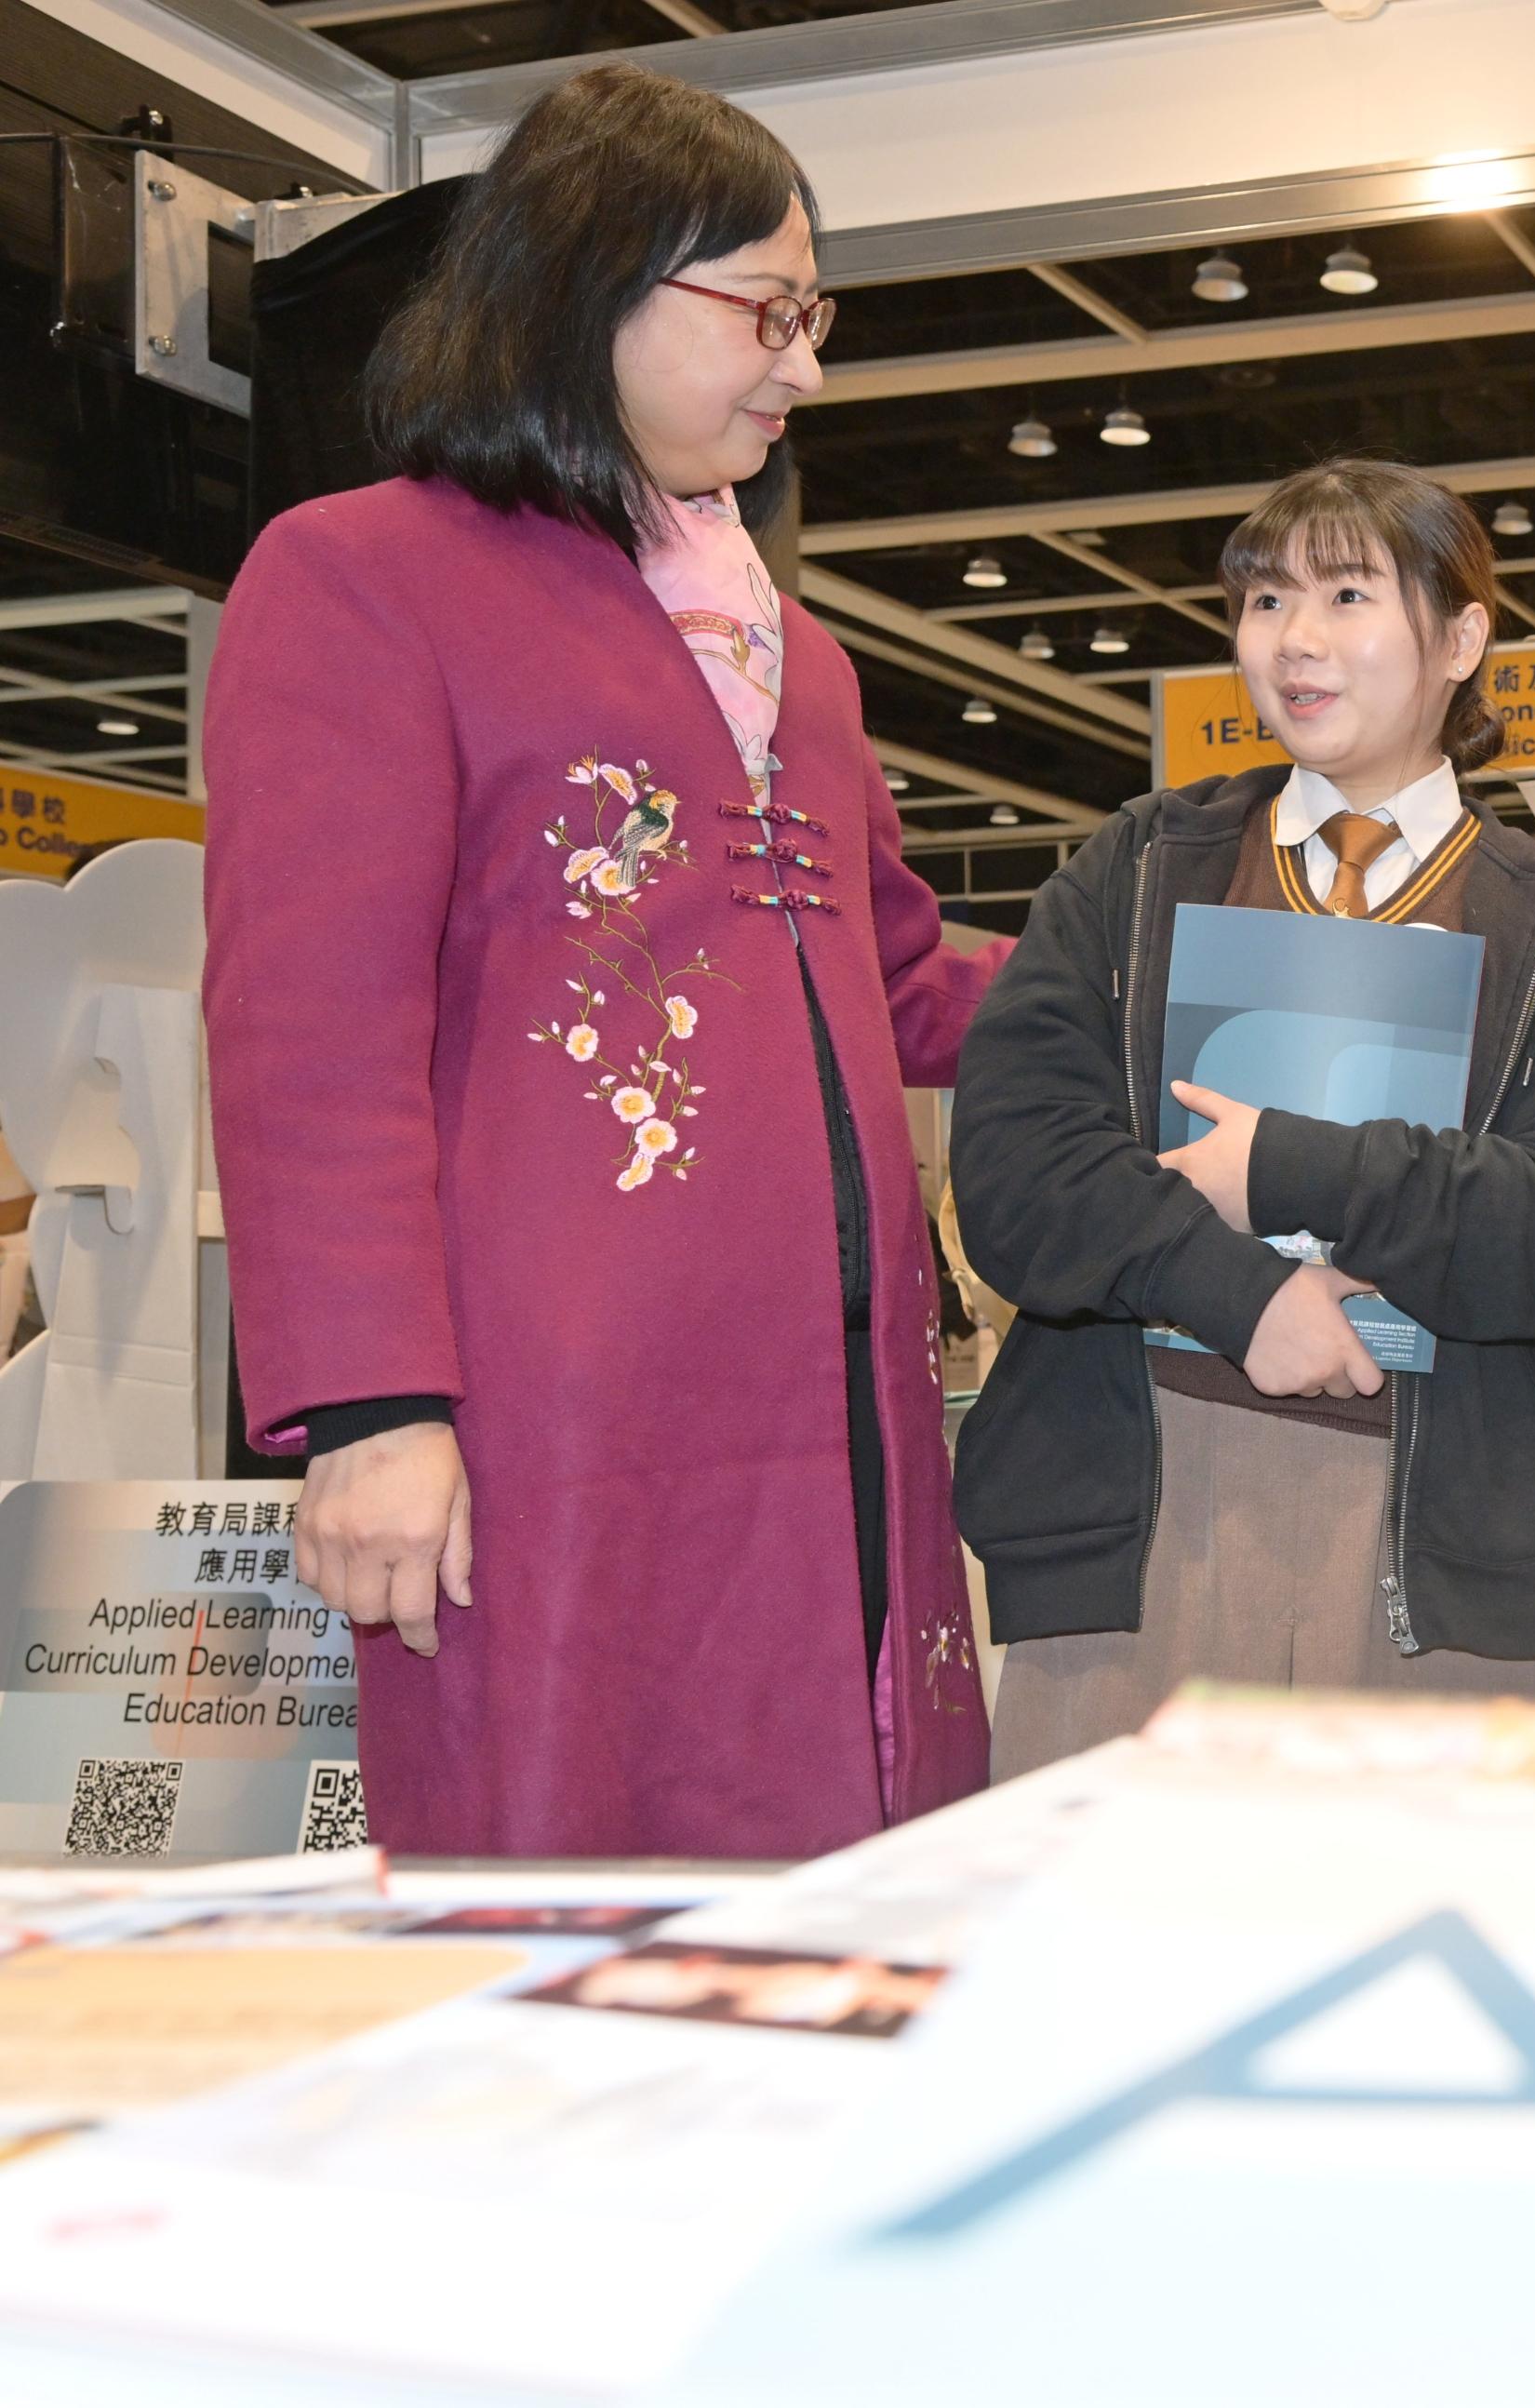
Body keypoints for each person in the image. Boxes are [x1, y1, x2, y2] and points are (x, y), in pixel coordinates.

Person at [201, 65, 1000, 1857]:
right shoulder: (363, 576)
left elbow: (898, 982)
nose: (805, 366)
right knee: (565, 1868)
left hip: (843, 1396)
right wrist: (373, 1406)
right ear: (592, 282)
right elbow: (306, 1028)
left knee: (839, 1862)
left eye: (817, 318)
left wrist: (1201, 970)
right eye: (768, 313)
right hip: (546, 1402)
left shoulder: (797, 644)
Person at [952, 461, 1535, 1771]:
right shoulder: (1141, 867)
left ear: (1459, 638)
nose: (1296, 641)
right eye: (1266, 600)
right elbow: (1010, 1171)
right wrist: (1241, 1294)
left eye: (1346, 594)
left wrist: (1288, 1165)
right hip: (1141, 1513)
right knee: (1122, 1948)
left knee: (1422, 1954)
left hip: (1428, 1537)